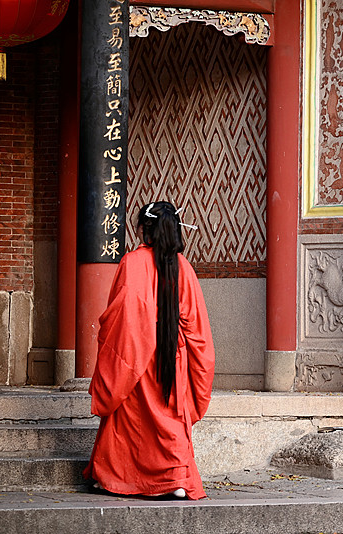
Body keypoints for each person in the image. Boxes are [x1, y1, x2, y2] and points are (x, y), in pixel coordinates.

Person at [84, 201, 215, 499]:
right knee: (171, 418)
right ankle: (175, 479)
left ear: (145, 229)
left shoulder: (132, 262)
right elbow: (197, 329)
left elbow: (120, 317)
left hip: (135, 358)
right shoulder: (184, 268)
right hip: (173, 359)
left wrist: (126, 354)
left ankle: (117, 477)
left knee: (128, 420)